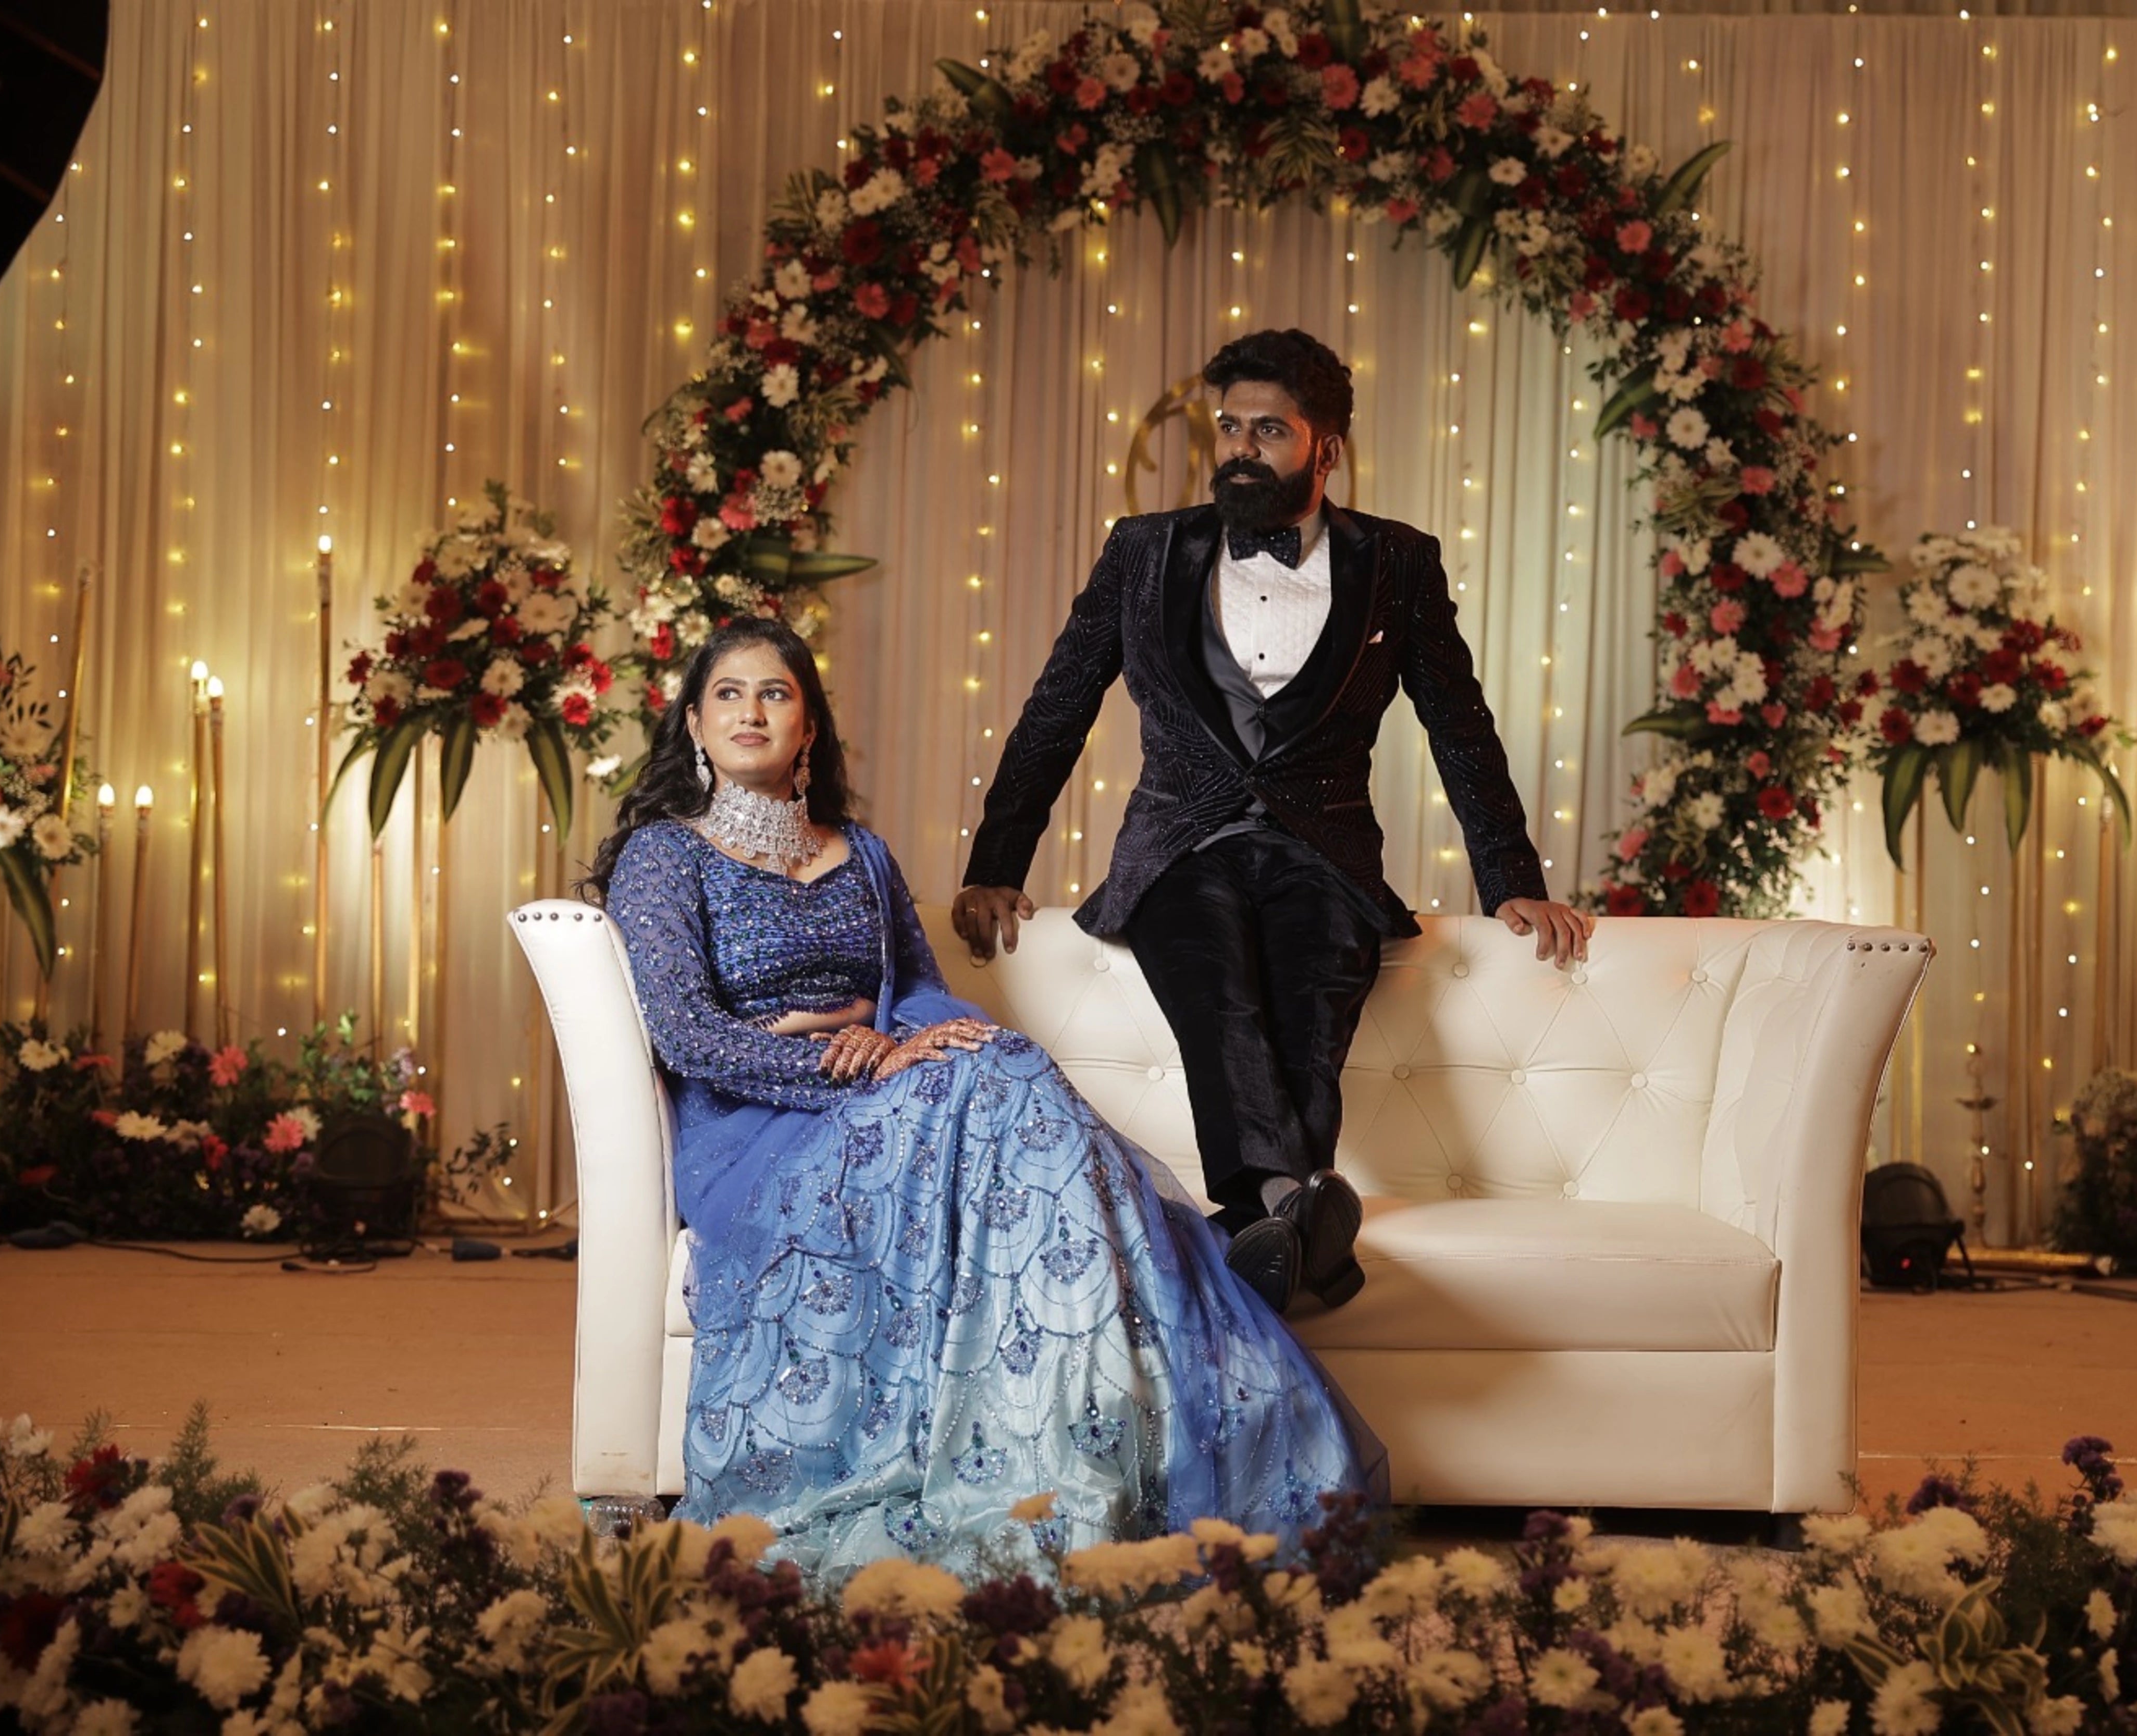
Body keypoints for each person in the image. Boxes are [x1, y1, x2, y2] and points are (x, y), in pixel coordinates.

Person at [589, 615, 1381, 1580]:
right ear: (694, 724)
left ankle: (1118, 1391)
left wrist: (909, 1039)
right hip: (764, 1128)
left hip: (883, 1091)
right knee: (992, 1076)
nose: (751, 710)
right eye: (728, 694)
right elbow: (686, 1033)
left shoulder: (863, 854)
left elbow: (914, 985)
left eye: (776, 693)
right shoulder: (665, 859)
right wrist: (841, 1057)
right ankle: (1220, 1256)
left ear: (808, 731)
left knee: (1001, 1058)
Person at [956, 328, 1592, 1320]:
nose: (1241, 448)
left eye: (1270, 430)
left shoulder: (1397, 564)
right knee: (1217, 994)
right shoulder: (1142, 553)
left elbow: (1461, 729)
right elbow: (1055, 714)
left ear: (1325, 447)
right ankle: (1302, 1211)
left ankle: (1273, 1227)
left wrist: (1512, 877)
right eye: (1229, 427)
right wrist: (995, 863)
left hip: (1324, 855)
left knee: (1310, 1008)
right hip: (1178, 853)